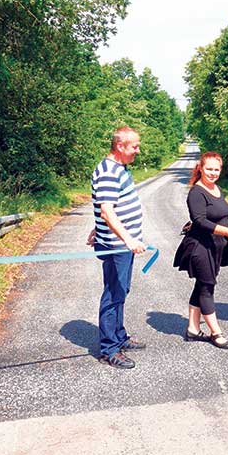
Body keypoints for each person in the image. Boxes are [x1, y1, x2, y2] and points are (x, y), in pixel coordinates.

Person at [90, 126, 147, 369]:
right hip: (116, 246)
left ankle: (119, 336)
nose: (138, 150)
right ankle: (109, 348)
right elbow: (107, 210)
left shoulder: (120, 168)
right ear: (120, 146)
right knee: (113, 294)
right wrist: (127, 239)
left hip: (119, 243)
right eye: (134, 146)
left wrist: (97, 228)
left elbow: (106, 206)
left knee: (121, 290)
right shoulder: (107, 172)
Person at [173, 152, 228, 349]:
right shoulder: (196, 192)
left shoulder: (217, 189)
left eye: (216, 169)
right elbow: (200, 220)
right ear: (200, 168)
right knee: (207, 287)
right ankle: (216, 332)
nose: (212, 173)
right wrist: (226, 231)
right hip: (200, 247)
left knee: (202, 285)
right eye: (209, 169)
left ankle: (193, 329)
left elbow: (220, 215)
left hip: (216, 247)